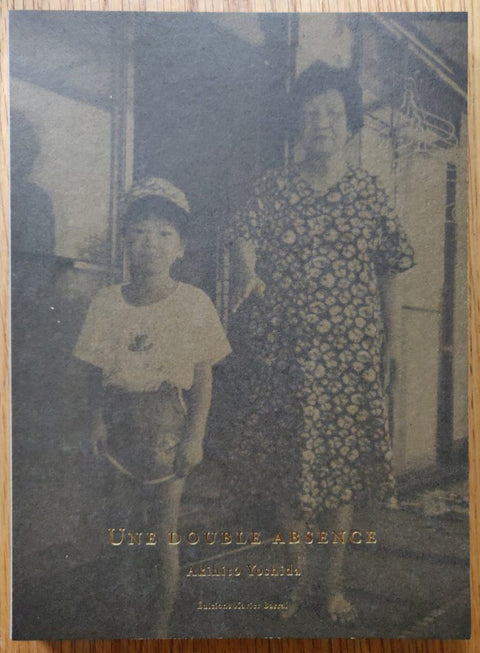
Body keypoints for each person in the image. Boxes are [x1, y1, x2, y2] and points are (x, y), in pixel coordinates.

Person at [225, 63, 415, 622]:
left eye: (333, 111)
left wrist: (392, 344)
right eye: (311, 113)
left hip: (349, 357)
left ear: (349, 120)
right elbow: (242, 239)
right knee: (287, 471)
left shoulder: (368, 192)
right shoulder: (273, 186)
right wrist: (247, 270)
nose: (322, 122)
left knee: (338, 476)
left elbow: (391, 272)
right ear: (296, 123)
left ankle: (329, 586)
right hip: (282, 355)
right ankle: (293, 582)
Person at [74, 178, 231, 636]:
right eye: (140, 232)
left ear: (181, 247)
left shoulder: (194, 304)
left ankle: (158, 629)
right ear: (125, 241)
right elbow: (92, 371)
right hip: (119, 422)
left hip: (167, 424)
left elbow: (203, 377)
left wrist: (195, 437)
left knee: (162, 532)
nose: (151, 243)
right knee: (120, 529)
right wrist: (96, 419)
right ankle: (122, 624)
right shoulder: (107, 302)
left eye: (164, 234)